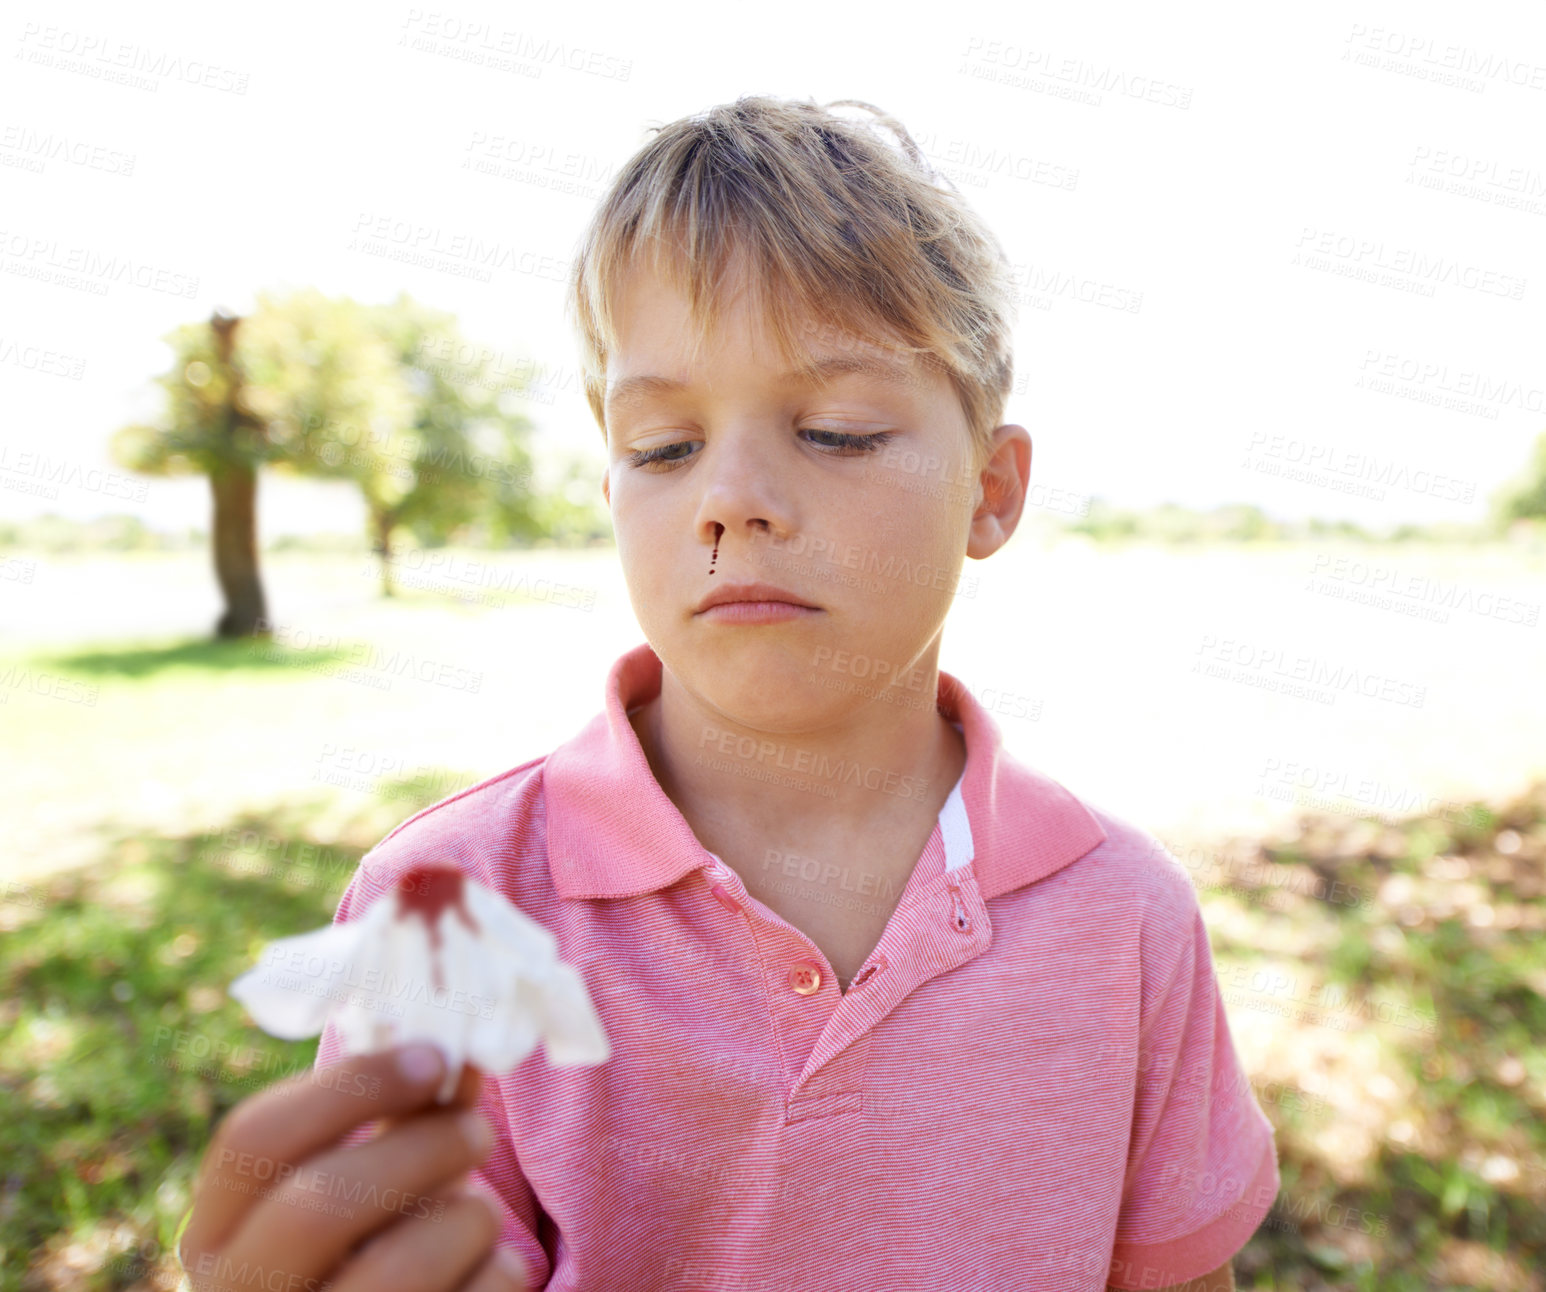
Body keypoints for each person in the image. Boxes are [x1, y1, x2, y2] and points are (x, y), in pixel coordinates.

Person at [178, 94, 1278, 1291]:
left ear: (991, 490)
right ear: (612, 483)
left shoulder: (1122, 914)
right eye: (663, 447)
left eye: (837, 429)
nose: (732, 496)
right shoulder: (450, 911)